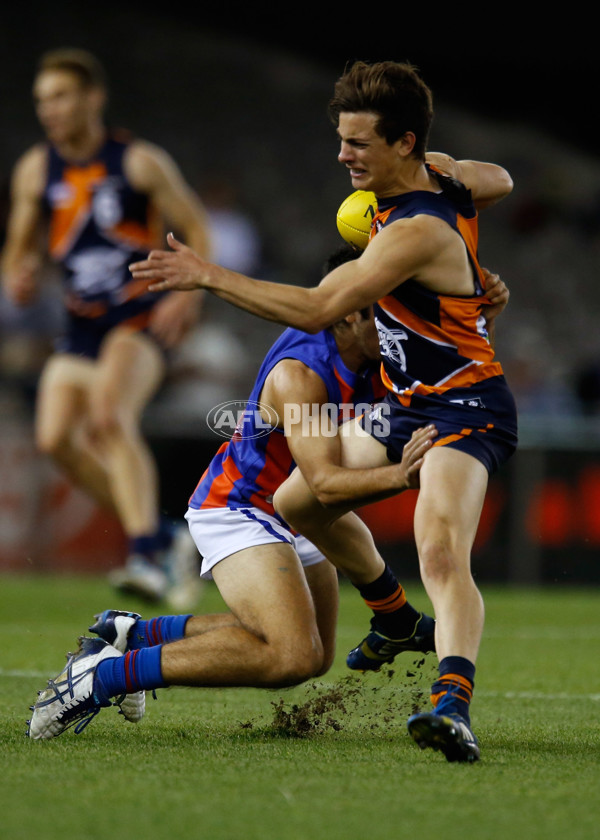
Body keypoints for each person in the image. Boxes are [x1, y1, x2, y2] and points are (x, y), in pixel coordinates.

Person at [124, 60, 518, 762]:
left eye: (359, 142)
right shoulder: (443, 181)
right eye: (341, 139)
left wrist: (208, 276)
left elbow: (318, 307)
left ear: (402, 143)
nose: (342, 156)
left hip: (463, 407)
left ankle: (451, 702)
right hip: (405, 404)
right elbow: (501, 180)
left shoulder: (412, 232)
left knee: (438, 548)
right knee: (298, 499)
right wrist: (469, 269)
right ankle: (395, 619)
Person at [26, 245, 442, 739]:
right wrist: (401, 476)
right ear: (350, 312)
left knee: (315, 656)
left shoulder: (378, 347)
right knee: (291, 654)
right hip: (242, 506)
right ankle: (100, 678)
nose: (401, 326)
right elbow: (325, 486)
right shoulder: (301, 374)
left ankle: (129, 636)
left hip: (295, 507)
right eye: (388, 312)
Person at [1, 48, 212, 603]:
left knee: (109, 417)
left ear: (93, 98)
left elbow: (196, 225)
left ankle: (148, 557)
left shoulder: (138, 162)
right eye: (43, 99)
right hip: (82, 324)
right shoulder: (35, 169)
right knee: (55, 439)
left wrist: (188, 295)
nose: (51, 109)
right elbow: (18, 250)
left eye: (62, 96)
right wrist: (18, 274)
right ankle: (165, 537)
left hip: (138, 315)